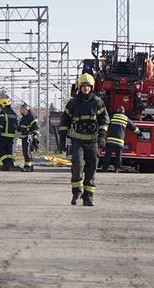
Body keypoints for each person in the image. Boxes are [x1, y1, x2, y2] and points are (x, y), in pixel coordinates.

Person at [59, 73, 110, 207]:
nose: (86, 88)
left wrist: (102, 136)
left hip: (92, 141)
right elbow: (65, 119)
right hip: (77, 140)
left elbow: (104, 120)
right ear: (79, 87)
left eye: (88, 86)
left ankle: (88, 196)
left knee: (92, 167)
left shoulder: (98, 102)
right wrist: (62, 137)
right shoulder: (73, 103)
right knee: (77, 165)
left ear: (91, 87)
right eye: (83, 86)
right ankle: (77, 192)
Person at [102, 106, 141, 173]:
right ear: (123, 112)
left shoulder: (112, 116)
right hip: (119, 142)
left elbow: (105, 121)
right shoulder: (125, 119)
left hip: (110, 141)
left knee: (107, 156)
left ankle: (104, 169)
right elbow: (133, 128)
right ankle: (116, 169)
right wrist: (139, 133)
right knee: (118, 156)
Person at [0, 97, 19, 171]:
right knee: (8, 151)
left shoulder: (3, 113)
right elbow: (16, 125)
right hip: (11, 135)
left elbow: (1, 125)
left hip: (4, 135)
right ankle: (10, 164)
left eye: (0, 106)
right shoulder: (14, 113)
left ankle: (6, 163)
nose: (0, 107)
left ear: (4, 105)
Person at [18, 103, 39, 172]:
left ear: (25, 109)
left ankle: (28, 166)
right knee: (25, 152)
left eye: (21, 109)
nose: (20, 110)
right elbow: (21, 128)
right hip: (24, 137)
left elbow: (35, 127)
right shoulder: (23, 117)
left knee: (27, 152)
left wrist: (34, 136)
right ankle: (28, 165)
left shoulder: (31, 116)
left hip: (29, 137)